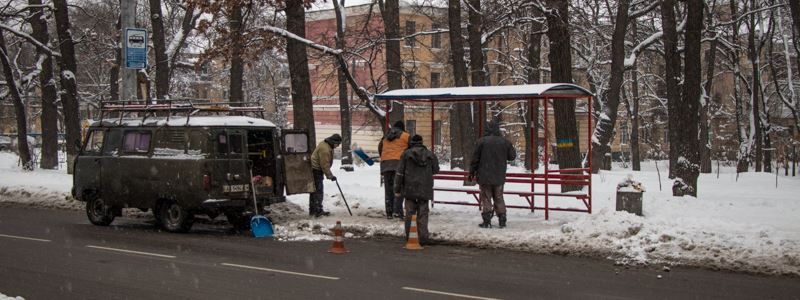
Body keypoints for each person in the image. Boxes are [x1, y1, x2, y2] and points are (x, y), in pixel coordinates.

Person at [469, 120, 516, 228]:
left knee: (486, 197)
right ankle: (502, 219)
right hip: (499, 175)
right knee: (499, 197)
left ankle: (486, 221)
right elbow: (512, 156)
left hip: (484, 175)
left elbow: (475, 159)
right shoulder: (504, 142)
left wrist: (472, 172)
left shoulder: (481, 142)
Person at [394, 134, 439, 245]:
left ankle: (410, 236)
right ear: (421, 142)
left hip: (410, 188)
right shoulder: (430, 154)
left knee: (409, 213)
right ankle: (423, 237)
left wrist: (397, 188)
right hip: (425, 188)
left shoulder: (406, 154)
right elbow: (436, 170)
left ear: (412, 142)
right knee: (423, 214)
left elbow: (399, 173)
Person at [378, 120, 410, 219]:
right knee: (399, 188)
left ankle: (389, 212)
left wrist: (385, 157)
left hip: (386, 165)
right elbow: (411, 150)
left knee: (388, 190)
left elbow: (380, 148)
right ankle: (398, 211)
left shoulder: (386, 136)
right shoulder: (406, 136)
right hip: (399, 165)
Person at [309, 134, 342, 217]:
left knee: (314, 191)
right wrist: (330, 176)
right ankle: (317, 211)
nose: (337, 146)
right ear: (334, 142)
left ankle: (313, 210)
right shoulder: (325, 149)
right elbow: (324, 165)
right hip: (316, 170)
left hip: (315, 169)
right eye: (338, 144)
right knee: (318, 191)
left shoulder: (325, 144)